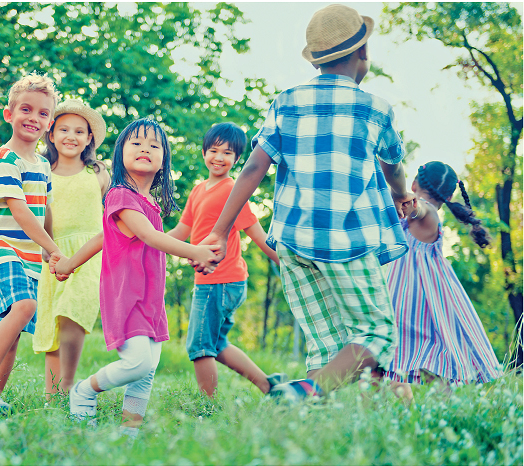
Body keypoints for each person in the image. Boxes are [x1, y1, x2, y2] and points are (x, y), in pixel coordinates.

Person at [196, 4, 414, 400]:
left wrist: (218, 231)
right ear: (363, 53)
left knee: (324, 341)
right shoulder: (375, 108)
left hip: (294, 241)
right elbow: (393, 165)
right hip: (347, 240)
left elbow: (252, 168)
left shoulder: (287, 101)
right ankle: (303, 393)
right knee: (377, 331)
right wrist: (402, 195)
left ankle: (311, 423)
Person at [50, 118, 219, 440]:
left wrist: (70, 263)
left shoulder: (149, 203)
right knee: (138, 363)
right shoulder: (119, 195)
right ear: (119, 155)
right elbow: (149, 236)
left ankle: (131, 431)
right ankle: (84, 391)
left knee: (148, 368)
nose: (145, 149)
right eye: (137, 143)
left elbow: (107, 237)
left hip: (150, 297)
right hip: (125, 295)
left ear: (163, 161)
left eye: (154, 145)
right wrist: (194, 252)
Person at [0, 73, 66, 416]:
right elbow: (20, 212)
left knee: (15, 324)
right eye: (26, 109)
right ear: (9, 114)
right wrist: (53, 248)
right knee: (23, 307)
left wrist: (51, 249)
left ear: (49, 122)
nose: (34, 118)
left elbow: (43, 209)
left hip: (29, 255)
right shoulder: (7, 160)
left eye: (43, 113)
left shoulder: (43, 166)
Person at [167, 122, 286, 397]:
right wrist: (147, 241)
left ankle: (207, 406)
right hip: (210, 281)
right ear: (204, 152)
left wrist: (286, 262)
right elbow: (182, 232)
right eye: (214, 150)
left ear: (237, 159)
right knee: (216, 344)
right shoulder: (198, 190)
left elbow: (257, 234)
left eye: (228, 153)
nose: (219, 158)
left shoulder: (234, 191)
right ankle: (270, 386)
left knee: (199, 345)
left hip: (222, 280)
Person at [386, 161, 501, 402]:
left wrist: (409, 200)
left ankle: (442, 416)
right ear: (449, 195)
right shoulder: (418, 210)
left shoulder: (426, 212)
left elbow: (419, 209)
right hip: (423, 299)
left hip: (411, 300)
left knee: (406, 365)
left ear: (414, 183)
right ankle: (426, 418)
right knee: (408, 367)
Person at [32, 100, 110, 400]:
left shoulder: (98, 172)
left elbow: (109, 214)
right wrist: (46, 248)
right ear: (51, 134)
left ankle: (68, 383)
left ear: (89, 138)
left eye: (80, 131)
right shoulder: (41, 171)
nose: (71, 136)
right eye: (63, 129)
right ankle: (54, 396)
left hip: (90, 253)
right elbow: (38, 213)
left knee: (73, 312)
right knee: (53, 321)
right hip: (50, 253)